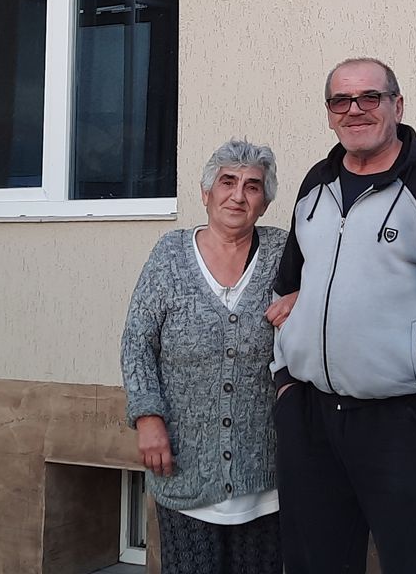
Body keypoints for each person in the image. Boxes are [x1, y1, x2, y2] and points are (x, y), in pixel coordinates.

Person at [266, 57, 416, 574]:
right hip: (311, 419)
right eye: (341, 101)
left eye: (370, 97)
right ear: (329, 114)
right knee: (313, 564)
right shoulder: (315, 186)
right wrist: (285, 385)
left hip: (403, 420)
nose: (355, 110)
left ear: (397, 105)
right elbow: (288, 292)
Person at [122, 139, 287, 574]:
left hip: (263, 471)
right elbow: (137, 341)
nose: (238, 195)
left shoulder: (282, 253)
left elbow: (334, 289)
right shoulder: (170, 254)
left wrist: (302, 296)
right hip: (185, 465)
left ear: (264, 203)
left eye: (253, 187)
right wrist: (148, 417)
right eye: (227, 182)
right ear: (206, 193)